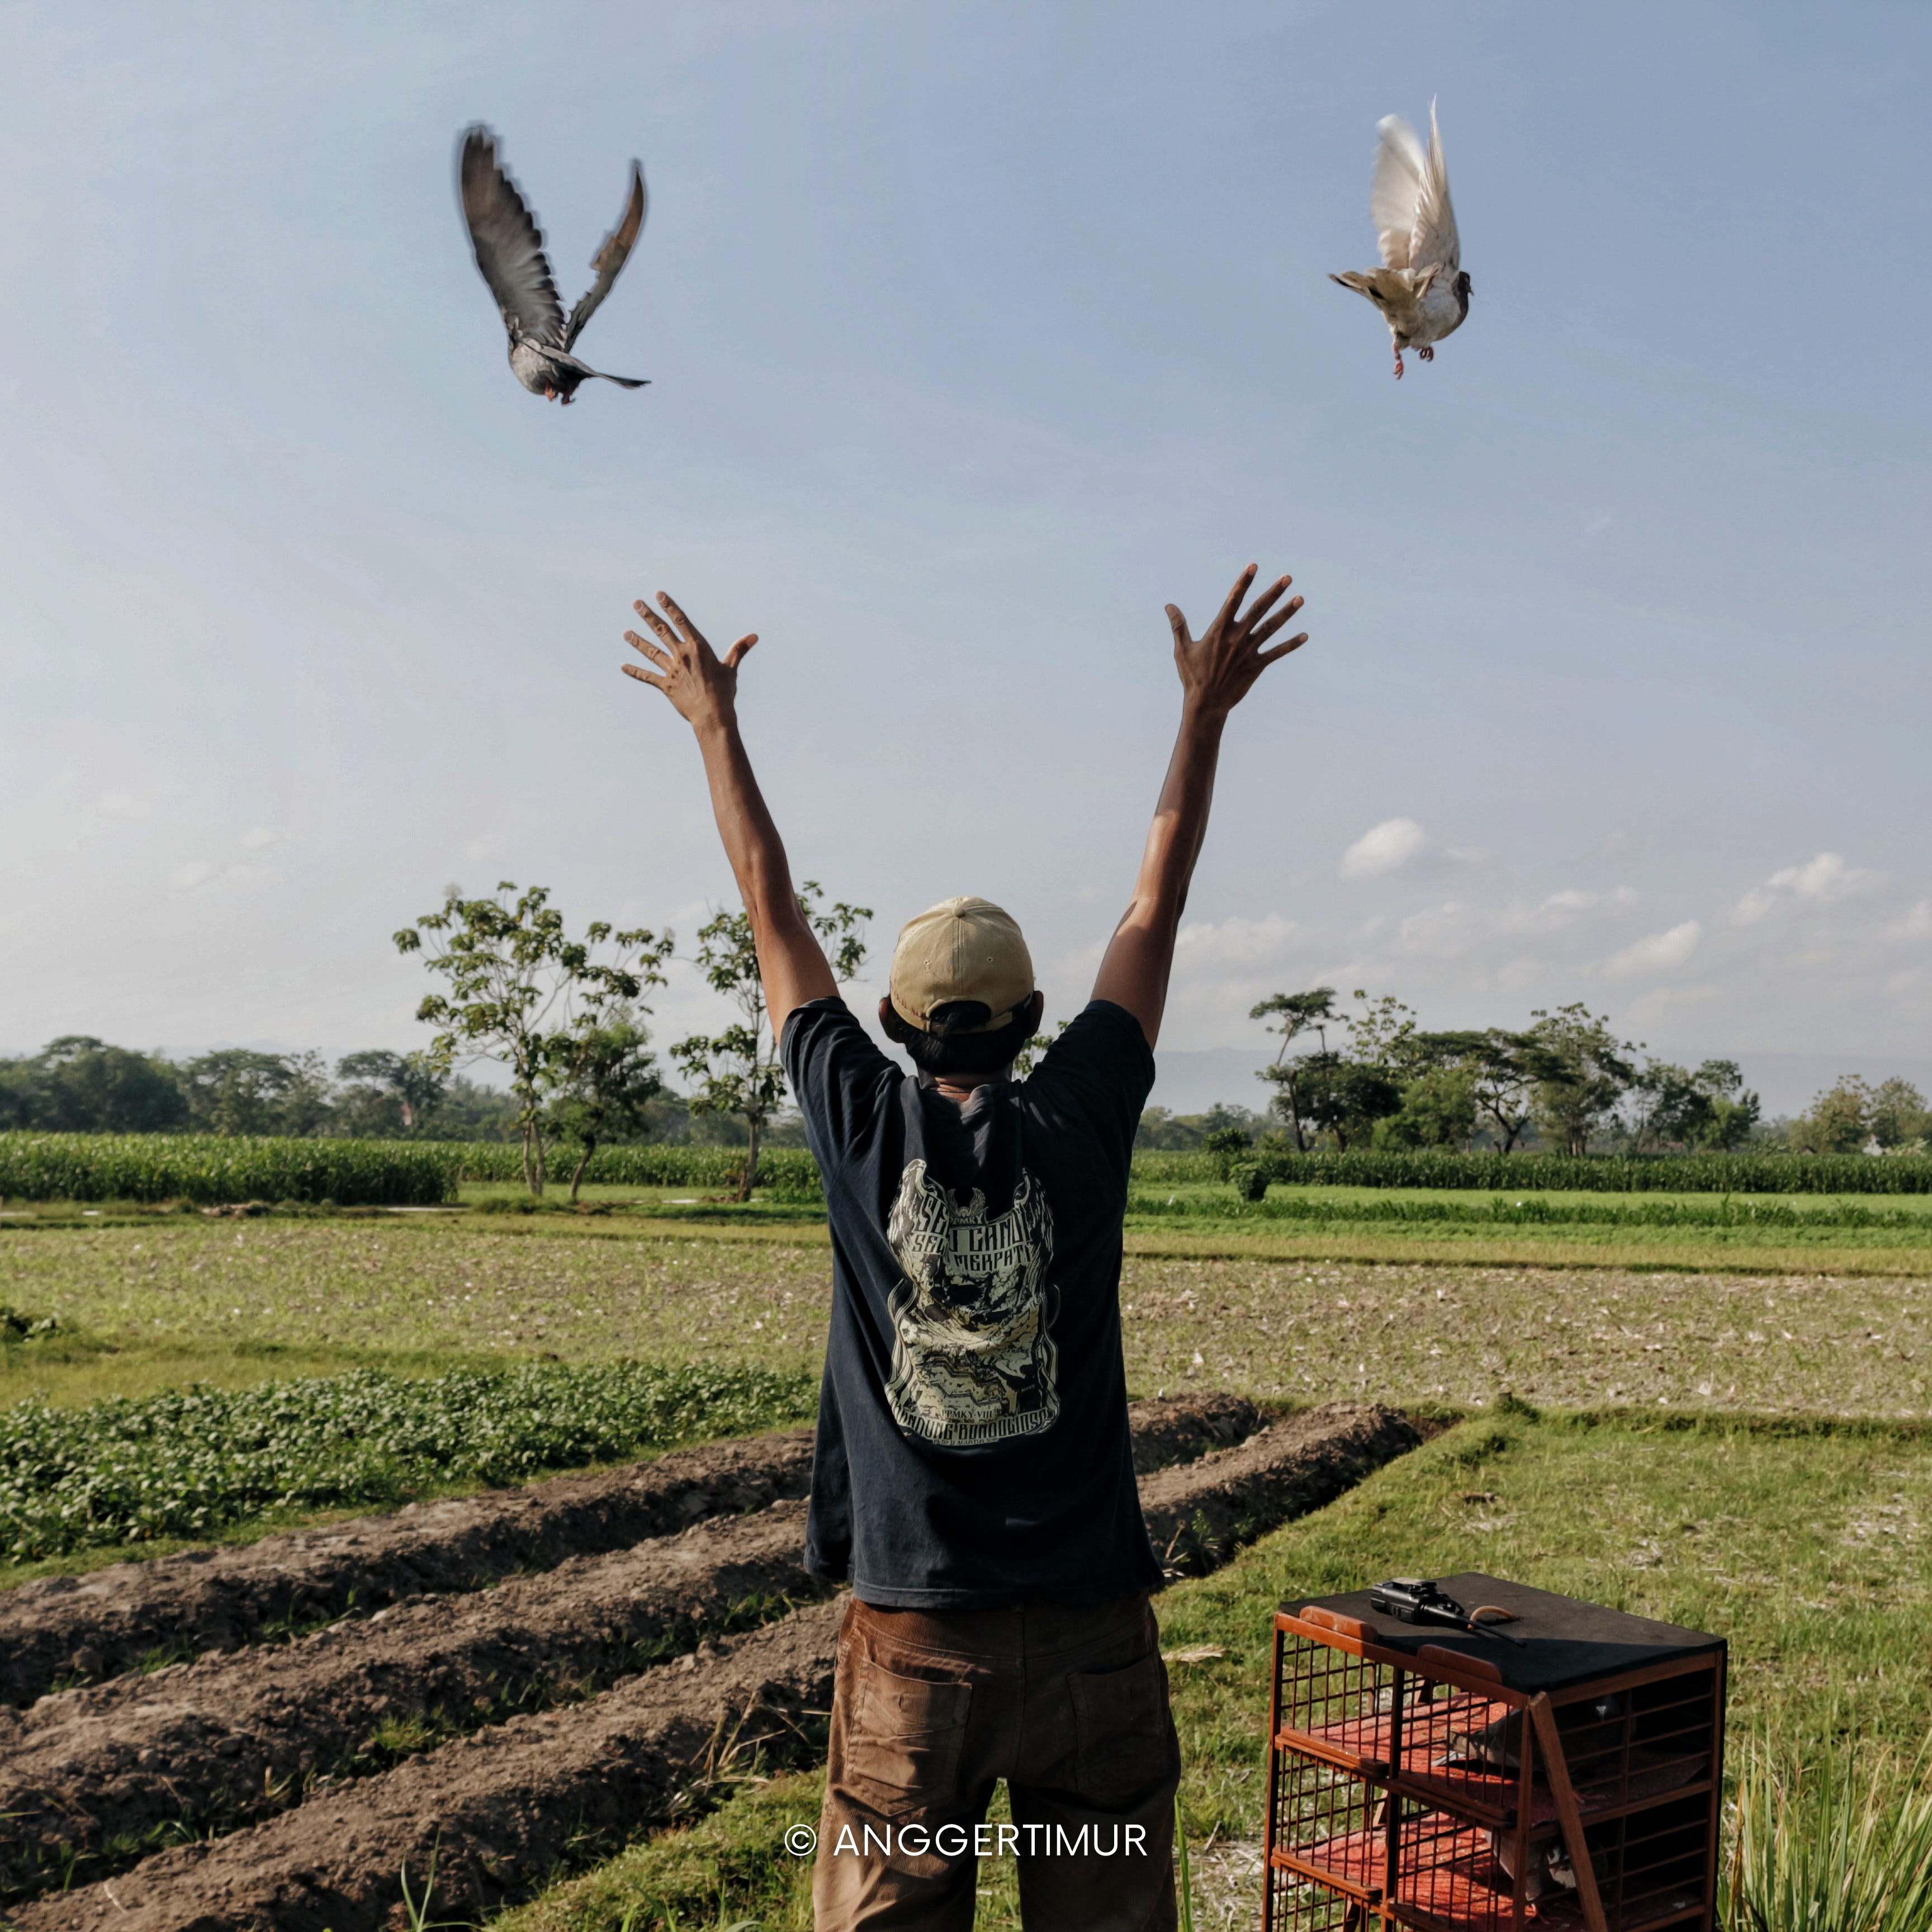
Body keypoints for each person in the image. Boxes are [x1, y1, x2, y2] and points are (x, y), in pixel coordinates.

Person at [622, 564, 1308, 1932]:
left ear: (891, 1019)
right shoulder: (1089, 1109)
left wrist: (714, 725)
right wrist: (1203, 715)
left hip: (918, 1659)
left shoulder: (855, 1116)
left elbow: (774, 914)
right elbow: (1151, 912)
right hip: (1087, 1651)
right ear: (1037, 1018)